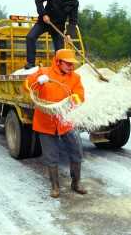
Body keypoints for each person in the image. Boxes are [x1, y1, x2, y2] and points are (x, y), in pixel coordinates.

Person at [26, 48, 87, 198]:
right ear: (58, 62)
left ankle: (76, 183)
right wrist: (37, 81)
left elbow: (80, 96)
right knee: (51, 156)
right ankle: (55, 186)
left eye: (72, 64)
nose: (71, 66)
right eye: (67, 63)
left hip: (66, 122)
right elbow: (27, 85)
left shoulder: (75, 78)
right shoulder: (44, 72)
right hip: (45, 122)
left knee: (76, 151)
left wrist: (72, 101)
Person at [25, 0, 79, 69]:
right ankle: (30, 63)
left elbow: (73, 20)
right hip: (45, 21)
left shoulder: (74, 2)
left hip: (58, 26)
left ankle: (59, 68)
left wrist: (69, 34)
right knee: (30, 37)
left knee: (60, 51)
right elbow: (38, 0)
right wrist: (43, 14)